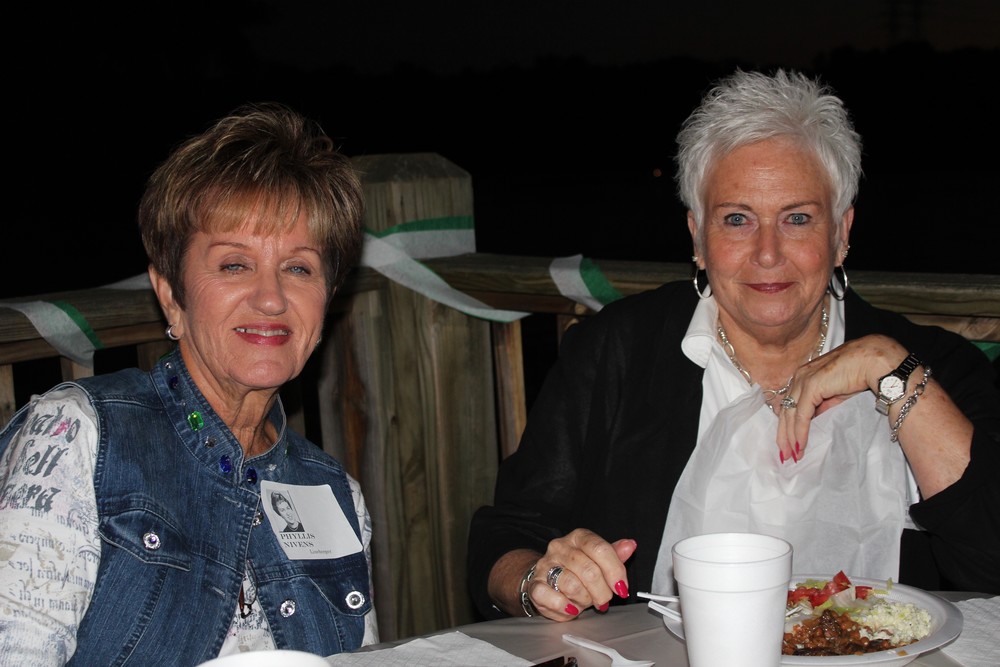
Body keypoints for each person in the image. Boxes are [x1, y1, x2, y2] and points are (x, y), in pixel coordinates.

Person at [467, 69, 1000, 622]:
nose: (767, 253)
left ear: (841, 233)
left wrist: (891, 371)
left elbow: (990, 564)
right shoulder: (613, 351)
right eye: (738, 219)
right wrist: (539, 580)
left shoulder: (930, 367)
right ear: (697, 236)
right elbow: (503, 538)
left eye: (797, 218)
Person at [0, 102, 378, 663]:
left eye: (299, 267)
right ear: (171, 295)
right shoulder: (80, 437)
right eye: (234, 264)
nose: (271, 298)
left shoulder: (336, 493)